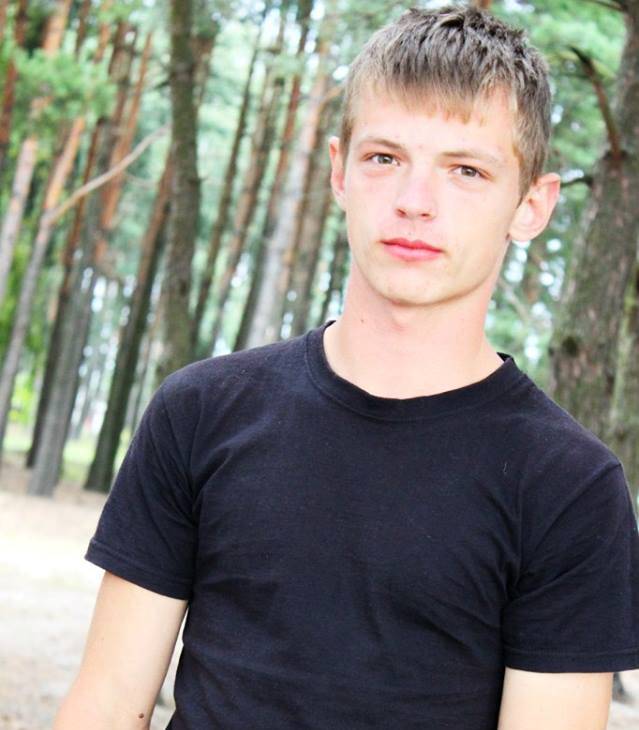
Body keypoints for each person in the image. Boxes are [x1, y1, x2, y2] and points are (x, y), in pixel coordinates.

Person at [55, 5, 639, 729]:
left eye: (465, 170)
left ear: (531, 205)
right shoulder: (200, 412)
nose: (414, 203)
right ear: (339, 171)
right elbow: (107, 703)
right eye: (384, 158)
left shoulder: (570, 487)